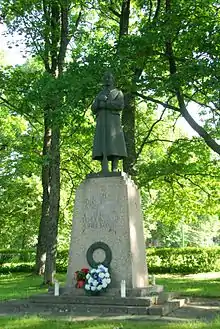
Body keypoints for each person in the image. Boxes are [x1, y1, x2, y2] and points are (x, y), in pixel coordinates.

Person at [92, 72, 127, 173]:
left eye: (109, 78)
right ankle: (104, 168)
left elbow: (120, 105)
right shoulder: (100, 94)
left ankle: (114, 168)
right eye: (105, 78)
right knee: (102, 144)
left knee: (114, 144)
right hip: (102, 122)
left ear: (113, 79)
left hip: (113, 123)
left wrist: (106, 103)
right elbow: (93, 108)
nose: (107, 79)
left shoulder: (118, 93)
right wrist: (98, 102)